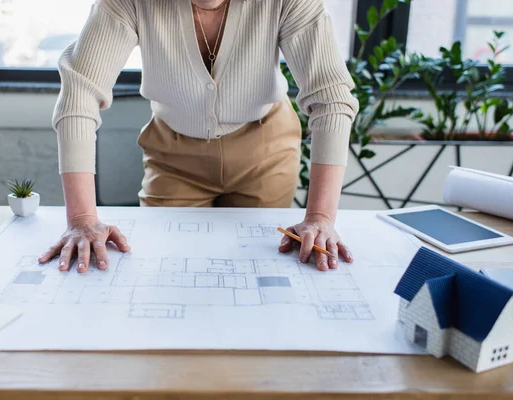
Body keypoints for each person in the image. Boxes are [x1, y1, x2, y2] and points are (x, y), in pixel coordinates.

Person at [39, 0, 359, 273]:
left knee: (258, 264)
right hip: (174, 154)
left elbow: (331, 99)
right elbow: (80, 92)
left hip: (266, 150)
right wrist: (81, 218)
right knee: (163, 264)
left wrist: (320, 217)